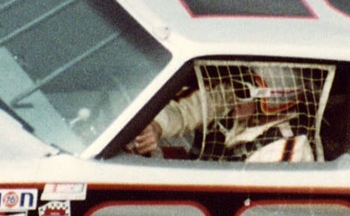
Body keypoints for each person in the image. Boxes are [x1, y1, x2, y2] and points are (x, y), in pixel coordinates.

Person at [127, 63, 317, 162]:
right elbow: (187, 110)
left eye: (243, 92)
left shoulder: (289, 150)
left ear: (274, 99)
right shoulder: (235, 102)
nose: (235, 97)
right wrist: (156, 127)